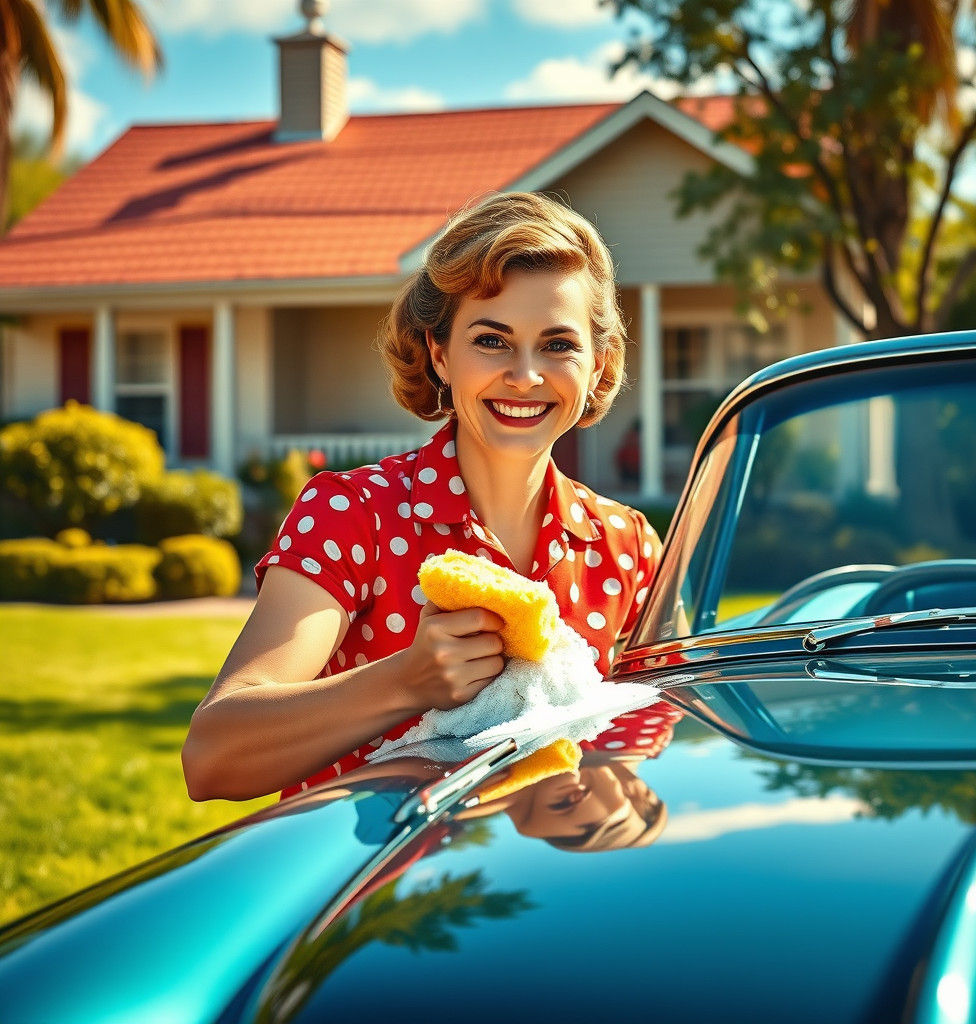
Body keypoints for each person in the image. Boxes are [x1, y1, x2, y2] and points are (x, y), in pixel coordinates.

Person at [182, 191, 663, 802]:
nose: (525, 375)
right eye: (491, 340)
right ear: (439, 354)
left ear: (600, 363)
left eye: (559, 344)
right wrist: (406, 683)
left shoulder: (627, 545)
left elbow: (649, 740)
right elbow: (212, 757)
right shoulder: (354, 514)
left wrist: (636, 816)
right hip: (376, 891)